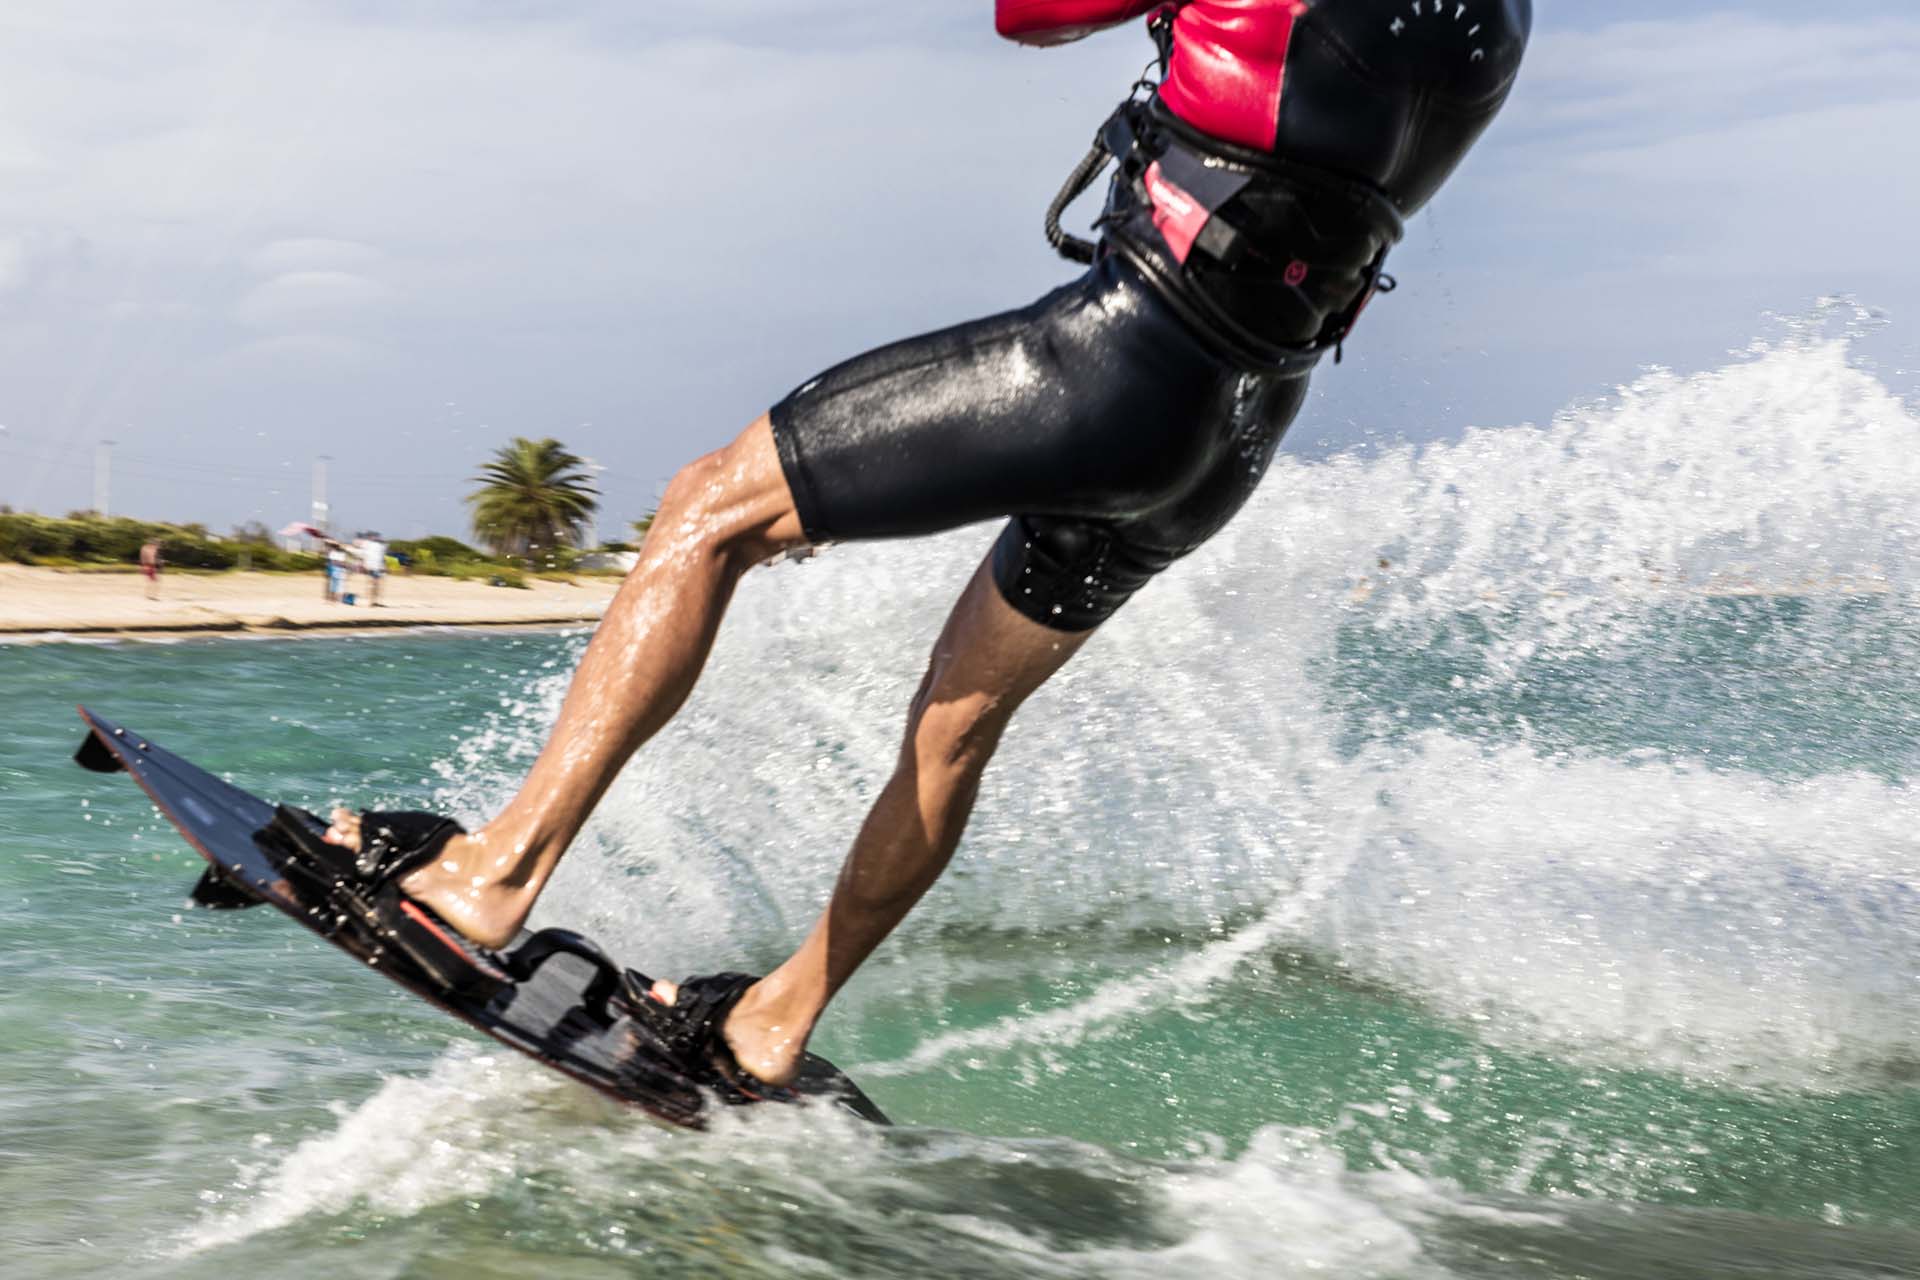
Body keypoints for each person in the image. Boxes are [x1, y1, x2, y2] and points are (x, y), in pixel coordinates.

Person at [317, 1, 1531, 1102]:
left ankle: (499, 867)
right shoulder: (1499, 18)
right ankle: (777, 1019)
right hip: (1240, 433)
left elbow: (1031, 15)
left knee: (706, 512)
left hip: (1119, 364)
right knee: (958, 725)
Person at [360, 532, 388, 606]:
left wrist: (384, 567)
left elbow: (383, 557)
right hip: (372, 567)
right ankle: (371, 601)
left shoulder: (381, 545)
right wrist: (364, 565)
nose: (375, 538)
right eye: (374, 536)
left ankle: (374, 601)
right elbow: (364, 555)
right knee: (373, 584)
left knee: (377, 585)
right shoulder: (367, 544)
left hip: (378, 567)